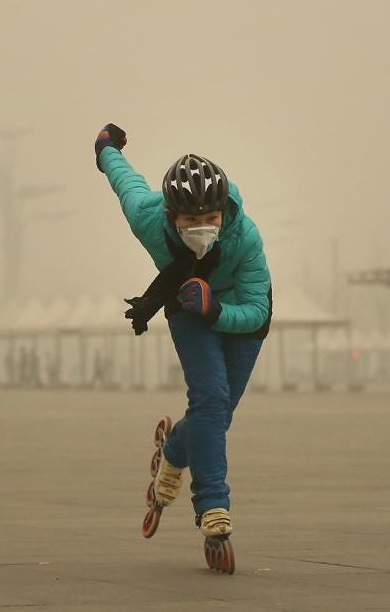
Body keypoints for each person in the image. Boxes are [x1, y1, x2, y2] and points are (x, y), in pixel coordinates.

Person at [95, 123, 271, 575]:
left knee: (218, 415)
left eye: (210, 218)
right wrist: (105, 148)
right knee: (210, 403)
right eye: (190, 220)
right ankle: (214, 509)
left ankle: (171, 454)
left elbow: (255, 308)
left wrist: (215, 310)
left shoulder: (246, 238)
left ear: (223, 210)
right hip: (187, 308)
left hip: (240, 319)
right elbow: (125, 181)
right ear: (171, 215)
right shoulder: (147, 218)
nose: (201, 227)